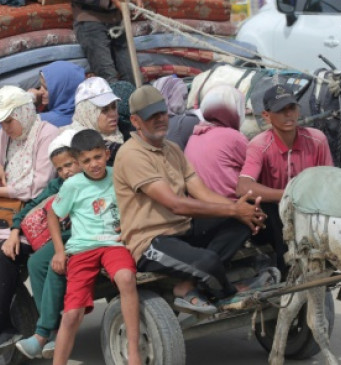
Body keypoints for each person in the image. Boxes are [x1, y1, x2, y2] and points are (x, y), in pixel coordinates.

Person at [112, 85, 268, 315]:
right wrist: (233, 210)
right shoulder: (131, 154)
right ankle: (230, 294)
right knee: (208, 262)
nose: (160, 119)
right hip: (151, 241)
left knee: (245, 222)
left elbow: (202, 192)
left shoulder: (172, 148)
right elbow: (176, 204)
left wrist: (240, 209)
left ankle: (189, 286)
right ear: (135, 121)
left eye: (162, 113)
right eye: (151, 116)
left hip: (183, 230)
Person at [0, 86, 59, 364]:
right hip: (6, 214)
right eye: (2, 122)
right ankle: (4, 329)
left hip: (35, 215)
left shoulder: (47, 135)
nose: (6, 128)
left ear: (25, 112)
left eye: (9, 120)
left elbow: (38, 185)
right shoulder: (4, 136)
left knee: (2, 257)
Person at [47, 129, 141, 365]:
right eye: (86, 161)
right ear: (78, 163)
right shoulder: (72, 186)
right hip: (82, 249)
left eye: (98, 157)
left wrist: (130, 226)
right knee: (71, 315)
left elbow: (136, 204)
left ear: (107, 154)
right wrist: (60, 251)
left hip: (113, 244)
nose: (94, 164)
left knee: (126, 278)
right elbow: (52, 213)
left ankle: (134, 352)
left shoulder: (118, 175)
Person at [237, 84, 332, 274]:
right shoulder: (259, 145)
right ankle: (288, 273)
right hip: (274, 217)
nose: (288, 115)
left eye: (292, 108)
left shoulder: (317, 139)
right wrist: (289, 195)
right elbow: (243, 187)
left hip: (311, 210)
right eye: (280, 110)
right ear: (266, 115)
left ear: (298, 110)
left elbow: (330, 180)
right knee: (275, 213)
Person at [10, 130, 81, 360]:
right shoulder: (59, 184)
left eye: (69, 165)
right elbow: (35, 204)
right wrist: (15, 229)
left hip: (85, 235)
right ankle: (51, 330)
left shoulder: (91, 178)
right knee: (36, 263)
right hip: (67, 234)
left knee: (52, 264)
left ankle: (43, 332)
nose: (65, 172)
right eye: (60, 169)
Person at [184, 86, 247, 200]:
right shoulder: (233, 138)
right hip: (230, 209)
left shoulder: (195, 135)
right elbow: (256, 170)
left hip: (198, 209)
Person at [66, 76, 124, 164]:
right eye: (104, 110)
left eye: (114, 107)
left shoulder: (124, 130)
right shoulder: (70, 143)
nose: (113, 114)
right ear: (87, 113)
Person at [28, 60, 86, 127]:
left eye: (46, 88)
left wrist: (30, 102)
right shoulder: (87, 115)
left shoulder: (43, 121)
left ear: (64, 91)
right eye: (40, 85)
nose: (40, 91)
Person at [154, 75, 200, 149]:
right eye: (184, 97)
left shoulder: (147, 124)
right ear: (172, 96)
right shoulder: (185, 122)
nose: (185, 102)